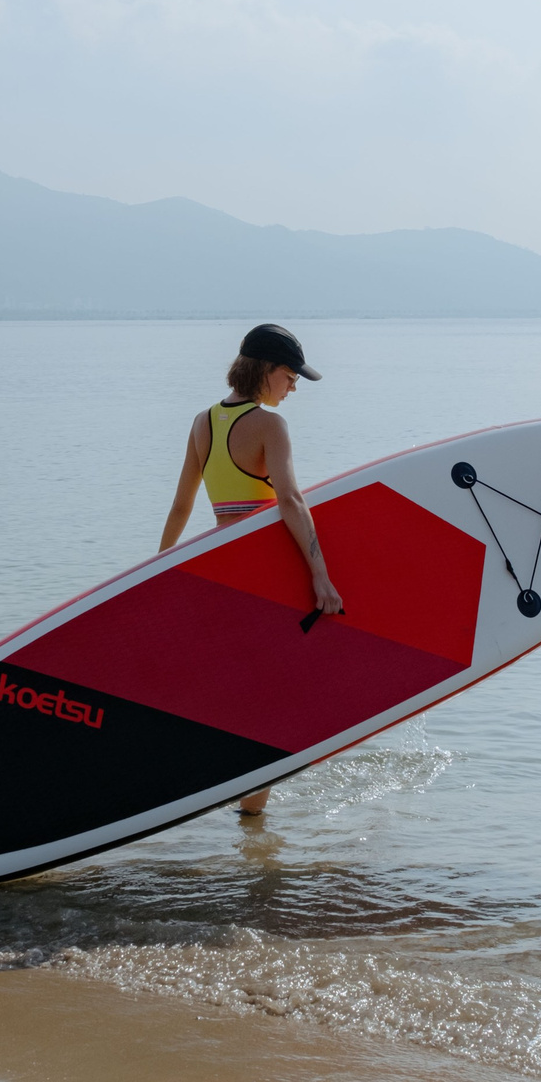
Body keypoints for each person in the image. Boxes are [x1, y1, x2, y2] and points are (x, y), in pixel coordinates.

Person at [159, 322, 344, 816]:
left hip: (224, 573)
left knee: (251, 690)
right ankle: (251, 815)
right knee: (277, 698)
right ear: (266, 371)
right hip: (266, 575)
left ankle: (250, 818)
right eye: (290, 377)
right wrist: (321, 574)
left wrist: (160, 571)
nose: (293, 387)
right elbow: (290, 500)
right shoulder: (269, 425)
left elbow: (181, 506)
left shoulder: (203, 422)